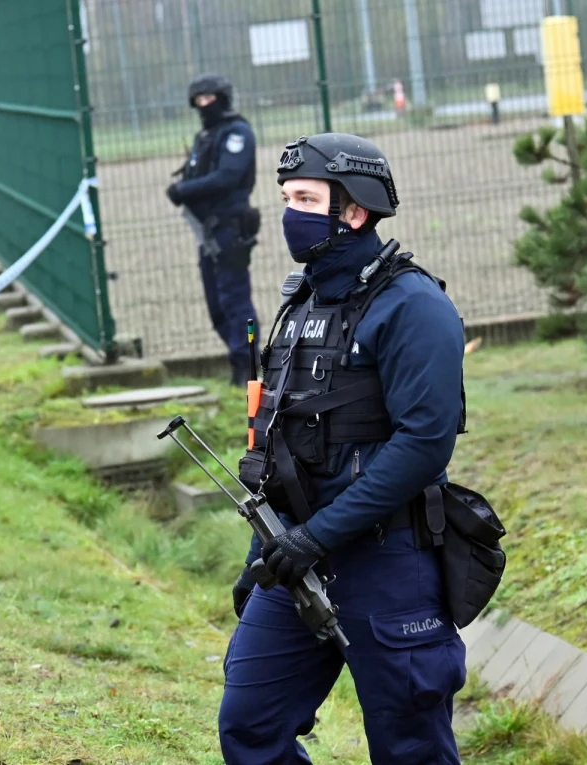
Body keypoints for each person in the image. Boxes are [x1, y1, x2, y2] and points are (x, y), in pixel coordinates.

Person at [219, 133, 469, 764]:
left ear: (353, 210)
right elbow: (276, 444)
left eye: (306, 197)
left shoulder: (414, 306)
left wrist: (320, 535)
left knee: (412, 750)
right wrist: (262, 556)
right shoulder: (297, 306)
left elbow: (424, 445)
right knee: (249, 731)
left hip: (390, 563)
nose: (289, 214)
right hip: (294, 560)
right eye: (285, 198)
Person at [167, 73, 262, 386]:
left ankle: (246, 366)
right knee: (216, 305)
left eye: (208, 99)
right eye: (198, 100)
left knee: (236, 301)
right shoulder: (205, 137)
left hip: (229, 229)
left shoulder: (237, 133)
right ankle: (237, 357)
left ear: (222, 98)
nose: (203, 105)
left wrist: (185, 190)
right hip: (207, 233)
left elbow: (228, 176)